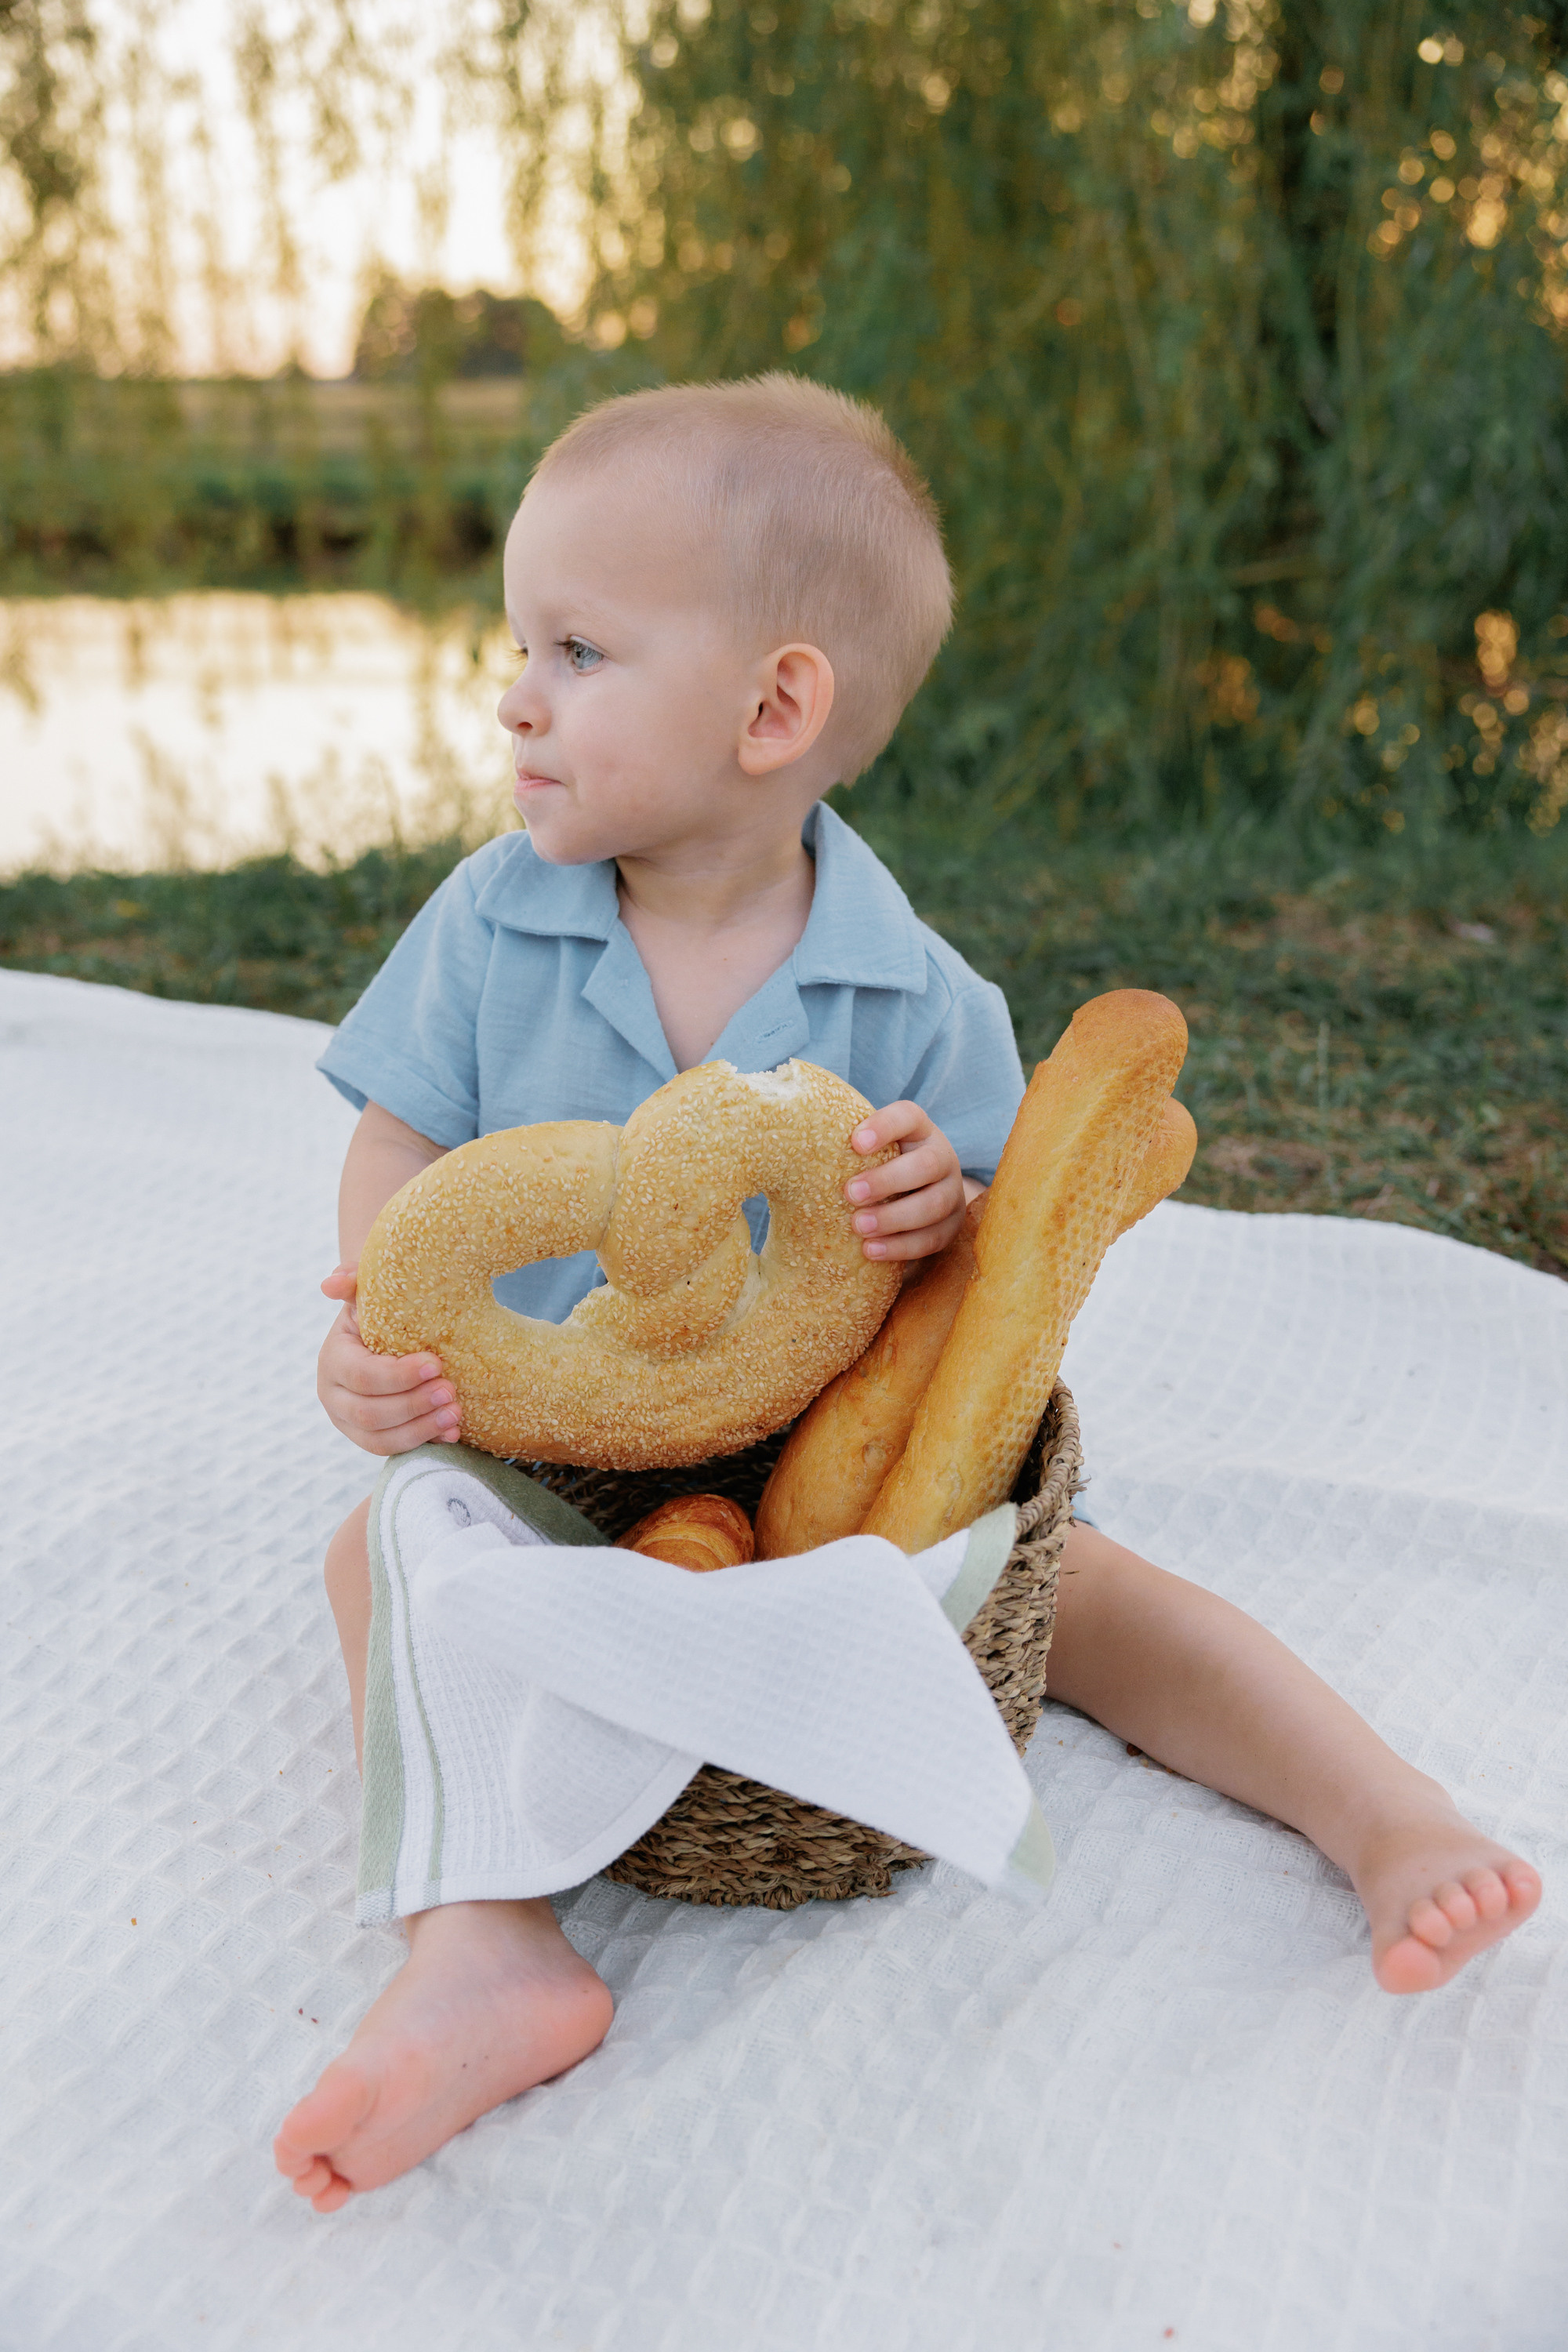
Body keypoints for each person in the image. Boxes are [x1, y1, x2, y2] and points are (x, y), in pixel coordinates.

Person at [274, 376, 1541, 2217]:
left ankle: (1378, 1810)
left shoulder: (911, 996)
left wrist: (935, 1208)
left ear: (775, 705)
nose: (511, 695)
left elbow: (992, 1276)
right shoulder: (491, 920)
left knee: (1083, 1585)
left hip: (825, 1488)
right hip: (551, 1440)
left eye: (575, 648)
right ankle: (485, 1940)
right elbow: (401, 1158)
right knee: (380, 1556)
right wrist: (376, 1337)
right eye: (512, 644)